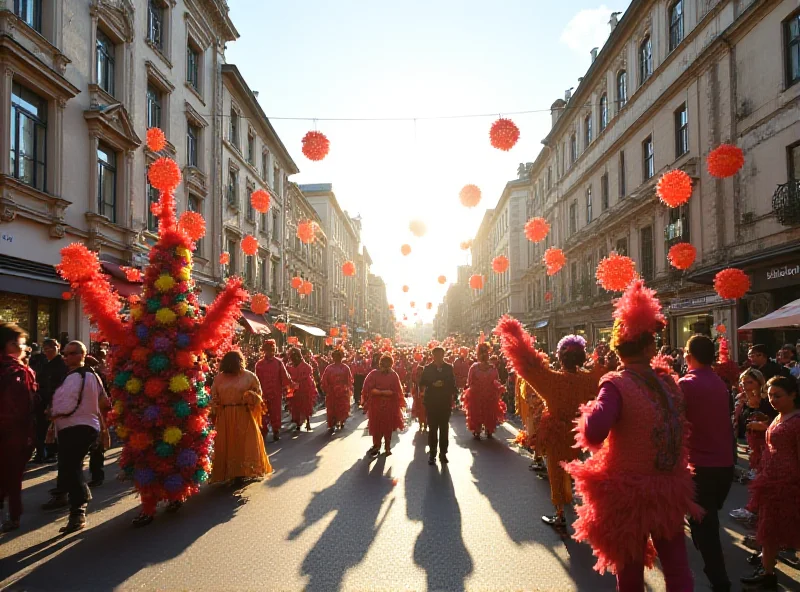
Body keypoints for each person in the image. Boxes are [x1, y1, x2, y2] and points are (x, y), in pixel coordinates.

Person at [563, 280, 699, 591]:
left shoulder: (615, 383)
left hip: (629, 493)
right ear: (650, 348)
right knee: (678, 569)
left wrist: (589, 411)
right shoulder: (669, 383)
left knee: (630, 573)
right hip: (669, 489)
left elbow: (594, 433)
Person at [495, 321, 606, 528]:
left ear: (560, 358)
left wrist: (515, 337)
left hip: (556, 433)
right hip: (580, 433)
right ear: (581, 358)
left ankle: (560, 513)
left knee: (556, 471)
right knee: (578, 469)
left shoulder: (551, 380)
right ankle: (583, 508)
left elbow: (528, 367)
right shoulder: (591, 379)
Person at [680, 334, 735, 592]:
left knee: (706, 527)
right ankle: (714, 570)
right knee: (708, 521)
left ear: (689, 355)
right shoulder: (719, 383)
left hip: (699, 466)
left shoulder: (686, 384)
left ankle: (719, 579)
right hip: (725, 465)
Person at [741, 376, 800, 589]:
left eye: (778, 395)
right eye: (770, 395)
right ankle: (767, 573)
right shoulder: (779, 417)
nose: (772, 399)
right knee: (769, 530)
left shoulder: (797, 420)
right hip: (770, 483)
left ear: (793, 395)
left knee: (789, 529)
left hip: (789, 485)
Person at [47, 341, 107, 534]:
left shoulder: (77, 377)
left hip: (77, 428)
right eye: (65, 354)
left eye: (71, 353)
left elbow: (62, 408)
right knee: (69, 465)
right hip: (78, 428)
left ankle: (78, 511)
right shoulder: (90, 376)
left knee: (72, 467)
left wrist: (50, 415)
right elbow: (104, 402)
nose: (67, 357)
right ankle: (66, 498)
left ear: (82, 354)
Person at [209, 351, 272, 485]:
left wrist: (251, 397)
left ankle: (241, 472)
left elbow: (258, 393)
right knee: (232, 443)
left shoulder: (248, 376)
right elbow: (214, 397)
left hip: (242, 413)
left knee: (242, 443)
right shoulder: (220, 378)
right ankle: (232, 472)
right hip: (227, 415)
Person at [0, 323, 37, 532]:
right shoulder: (18, 371)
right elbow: (22, 407)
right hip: (13, 434)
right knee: (13, 477)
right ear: (10, 345)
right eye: (21, 343)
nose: (24, 347)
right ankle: (13, 516)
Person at [419, 347, 457, 465]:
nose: (439, 358)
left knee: (444, 428)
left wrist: (451, 391)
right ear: (433, 356)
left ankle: (443, 453)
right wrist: (432, 383)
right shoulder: (428, 368)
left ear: (443, 355)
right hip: (432, 402)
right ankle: (432, 453)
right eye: (436, 355)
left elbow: (452, 383)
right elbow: (422, 383)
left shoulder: (448, 367)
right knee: (433, 429)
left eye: (441, 355)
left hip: (445, 402)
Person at [361, 354, 405, 456]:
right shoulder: (373, 374)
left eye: (387, 364)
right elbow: (367, 388)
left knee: (387, 426)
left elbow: (397, 390)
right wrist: (382, 392)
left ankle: (386, 447)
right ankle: (377, 445)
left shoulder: (394, 375)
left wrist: (384, 392)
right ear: (380, 364)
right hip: (376, 405)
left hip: (389, 405)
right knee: (376, 426)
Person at [32, 338, 67, 463]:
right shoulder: (43, 362)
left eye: (50, 349)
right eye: (45, 349)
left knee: (51, 427)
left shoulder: (62, 363)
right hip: (42, 398)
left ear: (58, 347)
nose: (48, 352)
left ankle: (51, 452)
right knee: (41, 427)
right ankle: (42, 453)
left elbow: (59, 384)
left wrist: (52, 402)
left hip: (54, 399)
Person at [463, 343, 506, 440]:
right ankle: (488, 430)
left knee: (478, 413)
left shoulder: (475, 367)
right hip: (488, 394)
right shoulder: (492, 368)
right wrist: (498, 387)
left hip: (478, 394)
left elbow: (469, 382)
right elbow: (496, 381)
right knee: (488, 413)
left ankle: (478, 430)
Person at [255, 340, 292, 442]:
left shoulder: (278, 363)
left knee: (276, 413)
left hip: (276, 393)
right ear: (264, 351)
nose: (270, 352)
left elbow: (284, 376)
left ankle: (276, 431)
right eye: (268, 350)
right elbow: (255, 379)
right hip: (263, 393)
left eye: (272, 350)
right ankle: (263, 432)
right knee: (263, 414)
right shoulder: (259, 364)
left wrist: (289, 385)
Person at [320, 349, 353, 432]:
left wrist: (326, 389)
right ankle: (337, 421)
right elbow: (324, 380)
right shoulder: (344, 367)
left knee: (338, 406)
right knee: (334, 407)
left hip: (339, 391)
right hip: (334, 391)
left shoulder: (341, 368)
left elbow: (349, 380)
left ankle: (339, 421)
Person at [286, 347, 316, 432]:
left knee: (305, 405)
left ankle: (307, 421)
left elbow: (309, 376)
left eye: (295, 357)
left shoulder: (306, 366)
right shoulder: (289, 366)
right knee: (294, 405)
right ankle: (297, 422)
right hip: (293, 389)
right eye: (292, 358)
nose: (294, 359)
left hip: (304, 388)